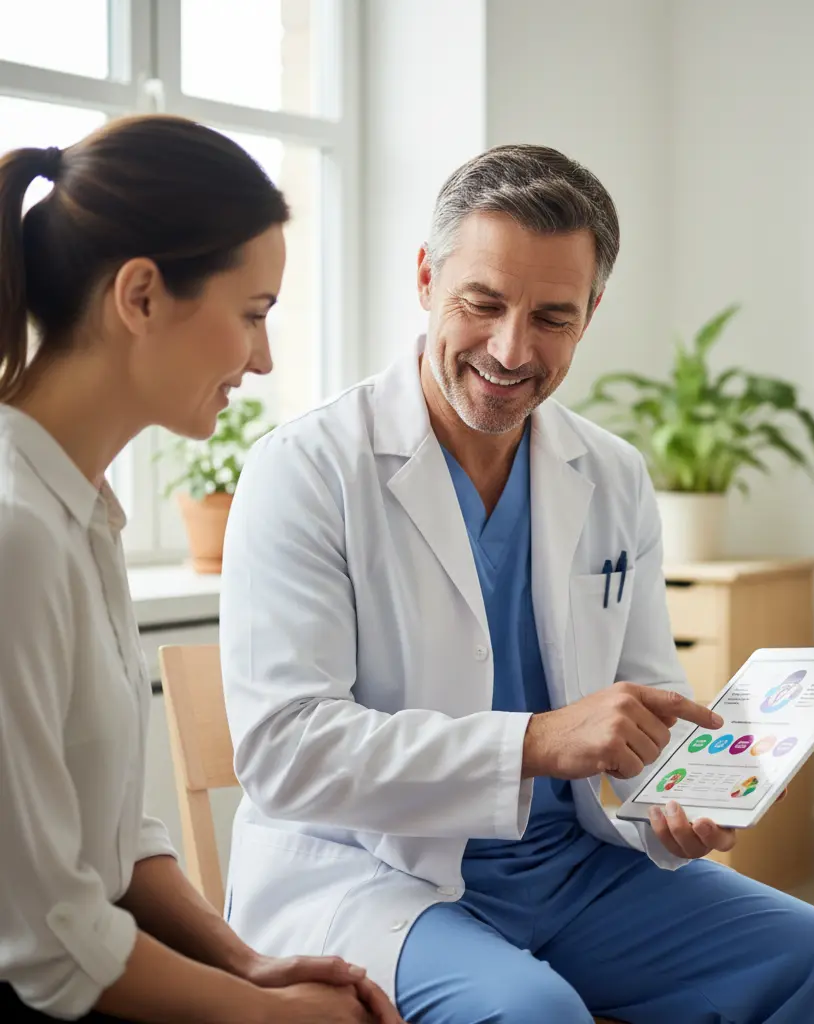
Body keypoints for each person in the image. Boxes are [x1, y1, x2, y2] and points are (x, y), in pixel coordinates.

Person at [219, 144, 814, 1022]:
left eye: (553, 318)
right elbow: (285, 753)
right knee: (534, 1013)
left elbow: (646, 697)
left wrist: (682, 797)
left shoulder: (610, 473)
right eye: (481, 303)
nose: (509, 348)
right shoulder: (306, 470)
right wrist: (535, 741)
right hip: (379, 874)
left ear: (591, 313)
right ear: (425, 278)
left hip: (575, 872)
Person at [0, 116, 401, 1024]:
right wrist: (268, 1014)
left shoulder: (80, 509)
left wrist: (246, 961)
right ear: (140, 295)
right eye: (253, 315)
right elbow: (47, 936)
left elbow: (111, 839)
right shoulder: (16, 533)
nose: (263, 358)